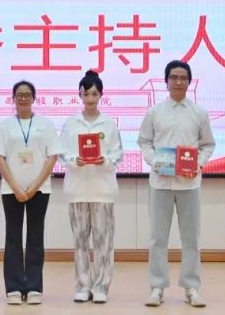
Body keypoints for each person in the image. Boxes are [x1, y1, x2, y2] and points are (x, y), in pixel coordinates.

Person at [137, 60, 215, 308]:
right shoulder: (154, 112)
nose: (178, 82)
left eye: (183, 78)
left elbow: (208, 145)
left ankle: (191, 287)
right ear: (166, 81)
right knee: (157, 238)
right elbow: (144, 142)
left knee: (191, 239)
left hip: (189, 185)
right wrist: (154, 161)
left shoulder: (199, 113)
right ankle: (157, 287)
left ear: (189, 82)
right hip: (160, 183)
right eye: (174, 77)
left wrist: (198, 164)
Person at [0, 80, 61, 305]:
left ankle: (33, 287)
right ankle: (13, 287)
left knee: (35, 238)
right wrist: (15, 187)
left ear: (34, 98)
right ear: (13, 98)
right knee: (12, 237)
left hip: (40, 189)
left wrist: (33, 187)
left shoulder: (45, 124)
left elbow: (52, 157)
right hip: (10, 190)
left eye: (27, 94)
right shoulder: (5, 126)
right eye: (19, 95)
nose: (23, 98)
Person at [58, 69, 123, 304]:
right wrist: (73, 160)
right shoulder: (71, 123)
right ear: (80, 95)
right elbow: (61, 152)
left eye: (94, 94)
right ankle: (83, 285)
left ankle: (101, 286)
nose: (90, 99)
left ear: (101, 95)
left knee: (103, 241)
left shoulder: (109, 124)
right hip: (77, 189)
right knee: (80, 241)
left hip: (102, 189)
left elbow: (118, 153)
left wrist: (105, 160)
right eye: (86, 94)